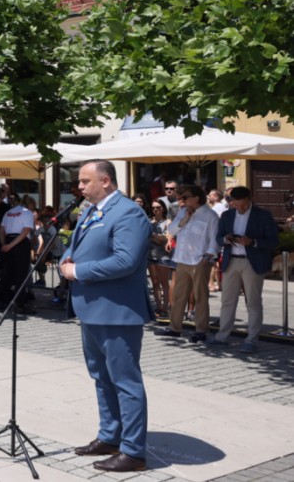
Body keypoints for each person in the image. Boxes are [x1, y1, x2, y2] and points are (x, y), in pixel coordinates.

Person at [59, 160, 151, 473]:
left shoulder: (128, 212)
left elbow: (126, 260)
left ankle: (133, 451)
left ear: (106, 181)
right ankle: (110, 435)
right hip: (91, 309)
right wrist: (67, 259)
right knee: (101, 377)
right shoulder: (90, 211)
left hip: (117, 311)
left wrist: (78, 271)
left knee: (125, 381)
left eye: (85, 181)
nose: (79, 187)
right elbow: (77, 246)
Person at [209, 186, 279, 353]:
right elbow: (218, 238)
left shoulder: (263, 215)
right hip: (231, 261)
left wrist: (252, 242)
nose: (240, 208)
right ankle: (222, 337)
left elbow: (273, 241)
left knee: (253, 302)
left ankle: (251, 340)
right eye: (236, 205)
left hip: (252, 262)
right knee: (227, 301)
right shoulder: (227, 215)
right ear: (231, 202)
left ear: (251, 199)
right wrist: (226, 239)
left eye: (244, 205)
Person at [156, 184, 218, 342]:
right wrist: (185, 219)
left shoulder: (210, 216)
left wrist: (207, 258)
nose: (181, 200)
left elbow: (215, 240)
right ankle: (175, 328)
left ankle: (201, 330)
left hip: (199, 260)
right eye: (180, 198)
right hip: (183, 259)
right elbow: (172, 230)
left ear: (196, 198)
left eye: (184, 197)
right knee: (178, 295)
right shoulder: (183, 212)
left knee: (200, 296)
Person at [0, 194, 37, 313]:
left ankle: (5, 301)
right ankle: (19, 303)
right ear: (31, 204)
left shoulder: (9, 212)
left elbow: (1, 230)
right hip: (20, 243)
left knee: (8, 274)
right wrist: (11, 245)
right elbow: (25, 231)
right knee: (21, 275)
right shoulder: (27, 213)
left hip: (8, 240)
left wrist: (4, 244)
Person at [147, 199, 172, 318]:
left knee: (164, 282)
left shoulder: (168, 222)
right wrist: (157, 238)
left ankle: (165, 307)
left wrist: (153, 236)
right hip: (151, 254)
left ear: (163, 208)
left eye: (158, 207)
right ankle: (158, 306)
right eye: (153, 208)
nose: (155, 210)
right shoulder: (149, 222)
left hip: (163, 254)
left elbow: (166, 239)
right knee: (155, 282)